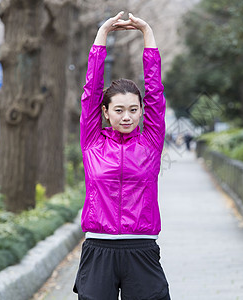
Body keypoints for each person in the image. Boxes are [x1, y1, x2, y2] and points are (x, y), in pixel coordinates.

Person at [73, 11, 170, 300]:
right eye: (118, 110)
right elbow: (91, 92)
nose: (127, 117)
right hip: (98, 249)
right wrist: (102, 35)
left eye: (133, 110)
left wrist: (148, 34)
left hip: (141, 248)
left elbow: (155, 93)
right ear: (105, 112)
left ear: (141, 111)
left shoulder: (150, 142)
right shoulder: (92, 141)